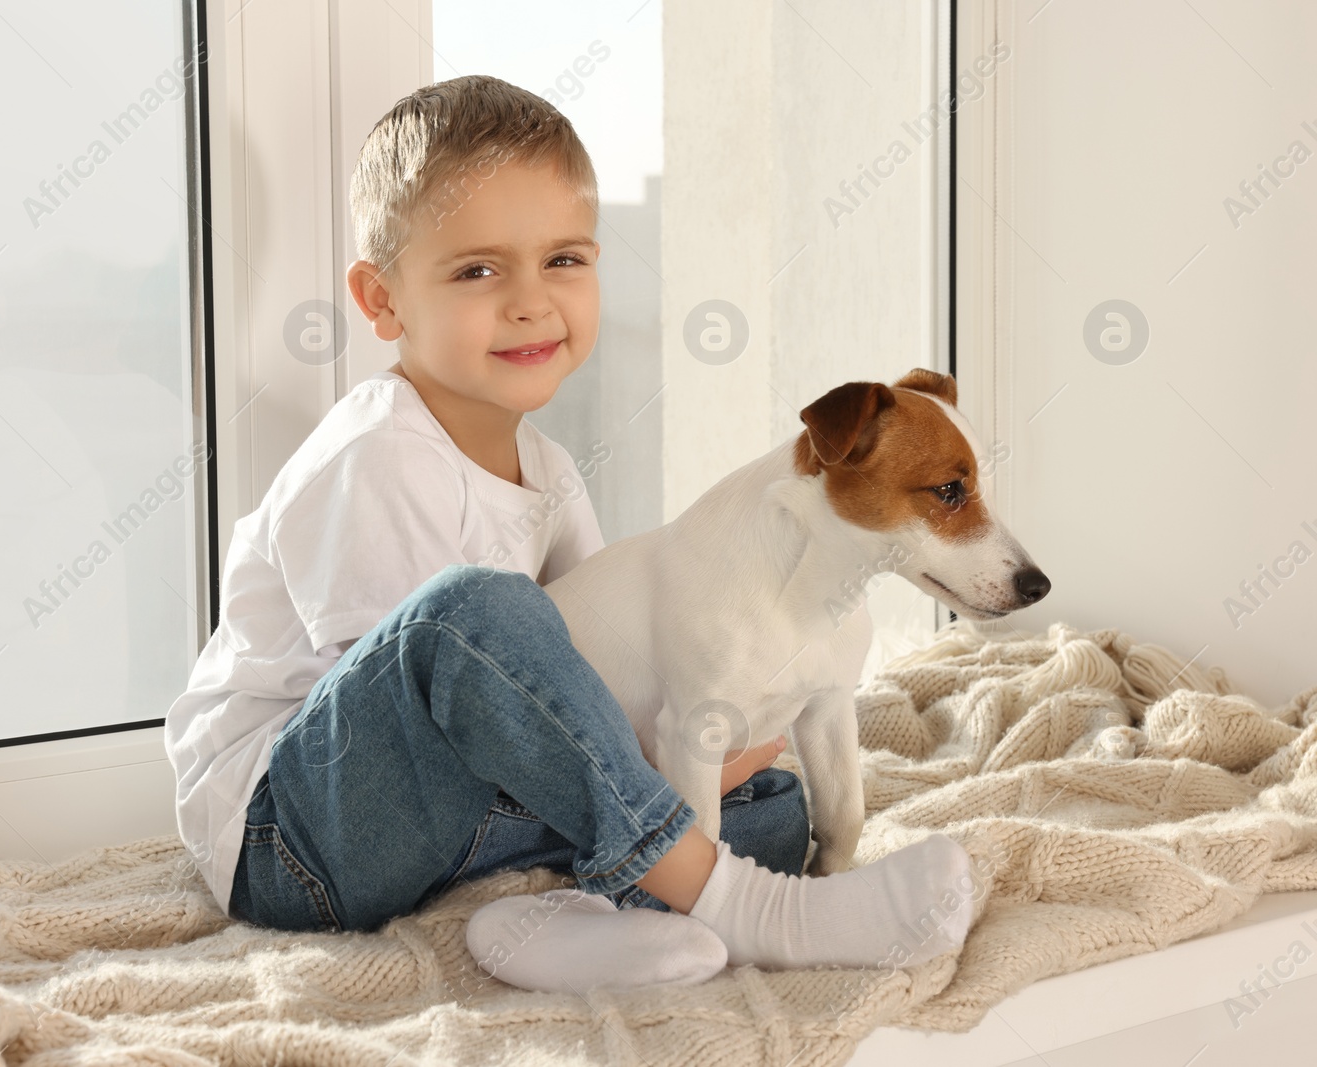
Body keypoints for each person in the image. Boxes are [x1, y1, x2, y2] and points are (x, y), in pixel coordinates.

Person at [164, 74, 974, 992]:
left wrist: (706, 736)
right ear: (383, 300)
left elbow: (592, 690)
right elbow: (414, 699)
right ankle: (750, 910)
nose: (530, 300)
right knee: (476, 614)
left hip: (443, 827)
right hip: (298, 830)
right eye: (478, 270)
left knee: (766, 807)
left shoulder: (546, 471)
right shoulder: (373, 454)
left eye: (564, 260)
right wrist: (643, 769)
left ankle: (564, 920)